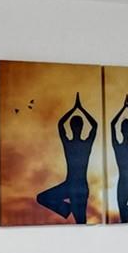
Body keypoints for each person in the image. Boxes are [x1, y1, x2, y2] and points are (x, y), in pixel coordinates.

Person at [35, 93, 98, 223]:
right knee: (42, 197)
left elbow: (94, 126)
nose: (75, 128)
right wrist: (76, 108)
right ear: (72, 127)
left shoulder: (85, 144)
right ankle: (66, 209)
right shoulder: (69, 143)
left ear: (80, 127)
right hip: (69, 185)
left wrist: (78, 108)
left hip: (80, 187)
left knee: (81, 222)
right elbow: (61, 125)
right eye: (74, 125)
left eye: (77, 125)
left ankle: (69, 210)